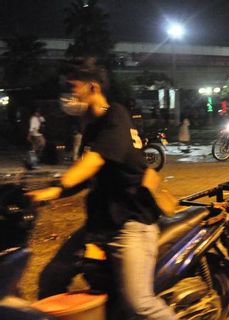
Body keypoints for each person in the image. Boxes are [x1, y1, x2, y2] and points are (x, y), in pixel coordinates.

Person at [26, 57, 176, 320]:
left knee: (139, 305)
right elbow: (86, 175)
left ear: (92, 87)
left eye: (72, 88)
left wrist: (56, 187)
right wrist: (46, 195)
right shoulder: (92, 127)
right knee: (51, 279)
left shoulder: (115, 115)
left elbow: (95, 161)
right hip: (99, 225)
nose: (67, 96)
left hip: (130, 225)